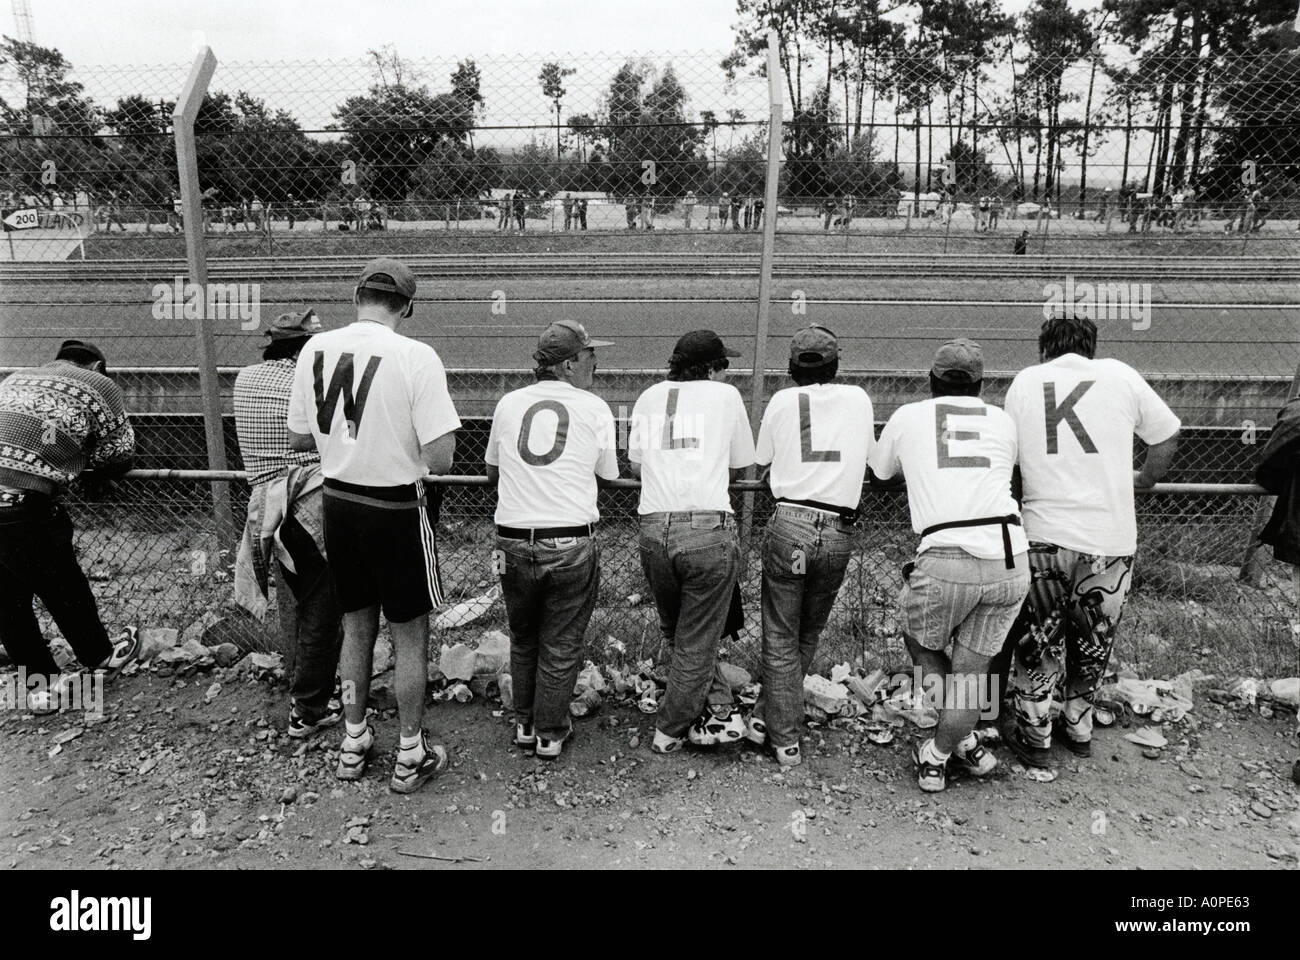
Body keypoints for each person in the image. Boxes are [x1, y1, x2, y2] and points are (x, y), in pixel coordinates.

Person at [287, 258, 461, 794]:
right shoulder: (416, 355)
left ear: (356, 296)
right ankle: (411, 751)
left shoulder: (316, 348)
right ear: (406, 306)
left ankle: (353, 739)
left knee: (356, 624)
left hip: (338, 501)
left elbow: (299, 438)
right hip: (395, 508)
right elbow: (444, 457)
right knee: (410, 633)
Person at [1001, 315, 1180, 774]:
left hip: (1046, 535)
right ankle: (1078, 724)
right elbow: (1166, 433)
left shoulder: (1026, 382)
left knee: (1038, 640)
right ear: (1091, 348)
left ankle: (1035, 732)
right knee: (1094, 637)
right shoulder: (1121, 375)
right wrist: (1144, 479)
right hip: (1111, 536)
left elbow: (1012, 457)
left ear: (1044, 350)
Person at [868, 338, 1030, 793]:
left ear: (931, 381)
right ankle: (958, 743)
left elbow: (881, 474)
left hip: (945, 555)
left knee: (921, 646)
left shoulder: (909, 416)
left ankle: (938, 752)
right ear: (981, 384)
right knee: (972, 676)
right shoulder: (1002, 420)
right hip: (1009, 556)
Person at [486, 321, 618, 760]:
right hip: (568, 542)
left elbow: (492, 471)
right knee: (560, 643)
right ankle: (550, 732)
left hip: (512, 539)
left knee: (524, 638)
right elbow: (609, 475)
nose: (595, 362)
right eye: (589, 355)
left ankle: (524, 723)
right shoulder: (594, 407)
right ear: (568, 364)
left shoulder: (508, 403)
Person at [748, 326, 872, 767]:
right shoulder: (858, 399)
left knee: (781, 631)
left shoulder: (783, 401)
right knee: (806, 632)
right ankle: (770, 717)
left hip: (792, 525)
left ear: (792, 367)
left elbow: (760, 461)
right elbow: (871, 460)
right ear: (835, 364)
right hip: (838, 530)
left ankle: (781, 733)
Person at [629, 330, 755, 754]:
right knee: (699, 638)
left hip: (654, 524)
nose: (727, 373)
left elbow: (635, 464)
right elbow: (742, 466)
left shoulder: (648, 397)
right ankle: (671, 728)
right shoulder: (726, 398)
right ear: (713, 367)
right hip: (706, 525)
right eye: (725, 366)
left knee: (678, 630)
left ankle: (718, 708)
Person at [0, 340, 140, 714]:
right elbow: (119, 453)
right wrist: (89, 468)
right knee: (64, 586)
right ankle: (101, 657)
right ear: (96, 365)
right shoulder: (99, 384)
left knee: (7, 601)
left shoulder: (17, 377)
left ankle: (39, 690)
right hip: (22, 503)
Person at [234, 310, 344, 739]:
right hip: (309, 500)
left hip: (265, 507)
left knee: (295, 600)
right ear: (305, 347)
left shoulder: (246, 378)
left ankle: (305, 684)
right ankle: (310, 706)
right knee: (323, 604)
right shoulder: (310, 380)